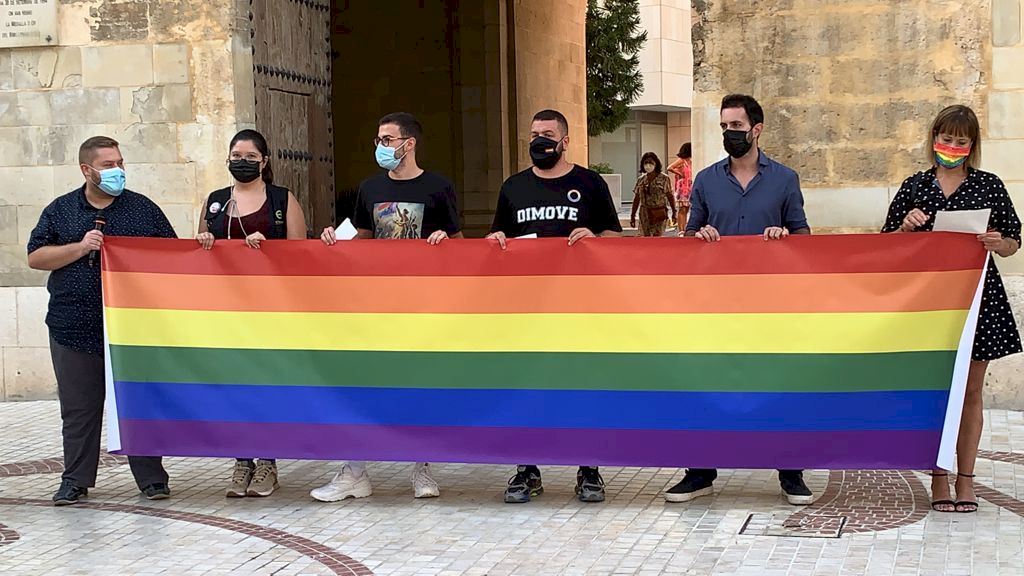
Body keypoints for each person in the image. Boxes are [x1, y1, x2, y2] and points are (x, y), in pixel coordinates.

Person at [667, 94, 814, 506]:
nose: (729, 133)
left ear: (756, 129)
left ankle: (791, 472)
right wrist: (699, 235)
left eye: (736, 126)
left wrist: (785, 238)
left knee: (779, 385)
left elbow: (804, 237)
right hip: (716, 303)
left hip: (770, 304)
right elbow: (688, 240)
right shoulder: (706, 180)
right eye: (724, 126)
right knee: (705, 384)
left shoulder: (785, 179)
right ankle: (699, 472)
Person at [314, 112, 462, 502]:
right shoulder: (369, 188)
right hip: (376, 304)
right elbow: (361, 236)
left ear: (408, 143)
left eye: (387, 139)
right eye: (378, 139)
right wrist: (334, 237)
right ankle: (354, 472)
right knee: (362, 383)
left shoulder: (439, 187)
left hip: (421, 304)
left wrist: (445, 241)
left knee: (419, 385)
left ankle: (422, 467)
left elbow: (460, 244)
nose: (380, 146)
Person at [882, 104, 1022, 514]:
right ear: (934, 139)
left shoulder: (989, 185)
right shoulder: (914, 186)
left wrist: (999, 243)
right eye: (947, 139)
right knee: (937, 392)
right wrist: (904, 227)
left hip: (978, 299)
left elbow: (1013, 241)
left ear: (972, 145)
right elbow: (886, 246)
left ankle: (966, 479)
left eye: (962, 141)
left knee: (971, 391)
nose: (953, 147)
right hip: (929, 304)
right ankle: (939, 475)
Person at [27, 136, 176, 506]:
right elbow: (35, 256)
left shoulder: (143, 210)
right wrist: (80, 247)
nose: (117, 171)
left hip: (133, 329)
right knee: (79, 409)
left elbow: (173, 255)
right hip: (73, 328)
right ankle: (75, 481)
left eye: (120, 163)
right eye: (108, 165)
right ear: (86, 170)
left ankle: (152, 479)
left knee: (138, 405)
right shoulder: (61, 210)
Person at [487, 109, 623, 503]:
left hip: (578, 307)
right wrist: (496, 242)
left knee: (581, 387)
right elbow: (497, 239)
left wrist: (595, 238)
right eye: (534, 134)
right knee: (526, 387)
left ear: (565, 141)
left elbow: (616, 238)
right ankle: (526, 469)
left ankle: (589, 467)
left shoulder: (590, 183)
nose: (539, 141)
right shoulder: (513, 187)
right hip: (527, 309)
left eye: (547, 134)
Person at [195, 129, 307, 498]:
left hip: (270, 311)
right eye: (236, 156)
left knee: (266, 385)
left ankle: (267, 462)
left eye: (250, 157)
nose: (242, 162)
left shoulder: (282, 200)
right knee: (234, 385)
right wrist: (206, 243)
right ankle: (242, 460)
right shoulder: (215, 202)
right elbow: (199, 253)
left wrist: (268, 250)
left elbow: (300, 254)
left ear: (264, 161)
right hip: (227, 311)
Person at [630, 151, 675, 236]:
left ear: (656, 163)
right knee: (645, 237)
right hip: (644, 213)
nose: (648, 165)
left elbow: (670, 196)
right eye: (646, 163)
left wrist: (674, 212)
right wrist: (632, 215)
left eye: (650, 163)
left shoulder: (664, 178)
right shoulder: (641, 180)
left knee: (657, 237)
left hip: (659, 212)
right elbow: (637, 198)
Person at [667, 143, 693, 228]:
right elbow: (670, 167)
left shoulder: (690, 161)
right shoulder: (682, 160)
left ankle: (684, 227)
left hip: (689, 186)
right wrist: (679, 173)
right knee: (682, 209)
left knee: (686, 209)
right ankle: (681, 229)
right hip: (683, 187)